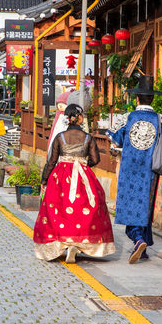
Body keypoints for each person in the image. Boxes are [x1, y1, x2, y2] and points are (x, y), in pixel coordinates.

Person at [106, 75, 162, 264]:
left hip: (129, 168)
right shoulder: (161, 120)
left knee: (130, 205)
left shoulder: (126, 118)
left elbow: (115, 139)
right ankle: (143, 243)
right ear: (152, 98)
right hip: (150, 170)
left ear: (137, 98)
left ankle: (137, 239)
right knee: (146, 205)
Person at [33, 104, 116, 263]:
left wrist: (44, 180)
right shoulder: (88, 138)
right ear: (77, 118)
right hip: (83, 175)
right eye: (82, 115)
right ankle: (78, 244)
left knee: (59, 207)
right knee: (84, 206)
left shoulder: (60, 137)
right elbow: (96, 159)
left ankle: (64, 243)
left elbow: (51, 161)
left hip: (61, 175)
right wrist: (83, 164)